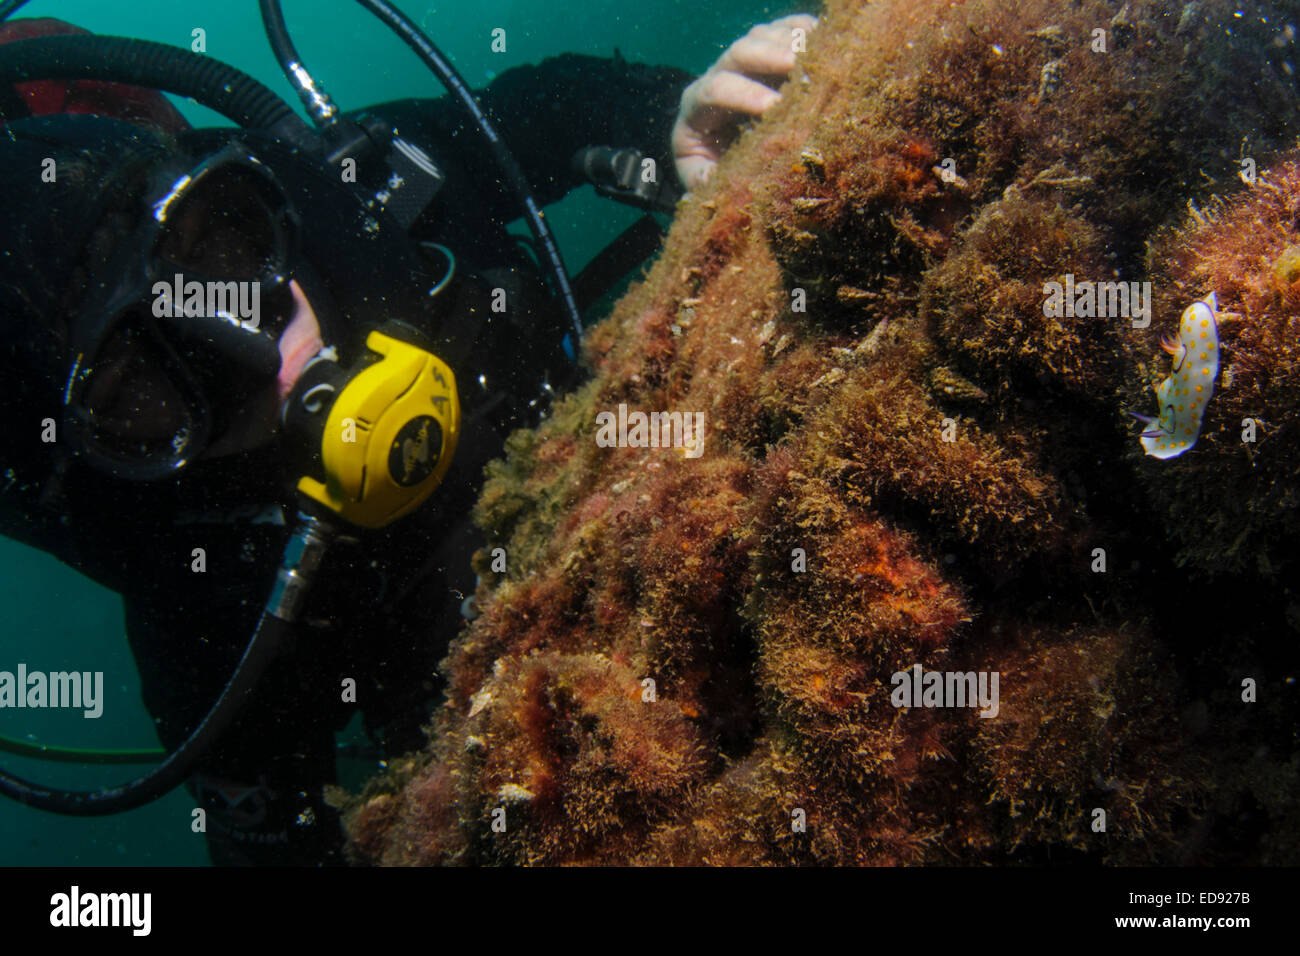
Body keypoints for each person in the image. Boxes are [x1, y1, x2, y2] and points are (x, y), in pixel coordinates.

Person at [0, 9, 816, 864]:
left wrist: (676, 123)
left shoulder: (353, 191)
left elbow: (541, 110)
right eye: (140, 387)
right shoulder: (205, 633)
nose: (259, 348)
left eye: (215, 247)